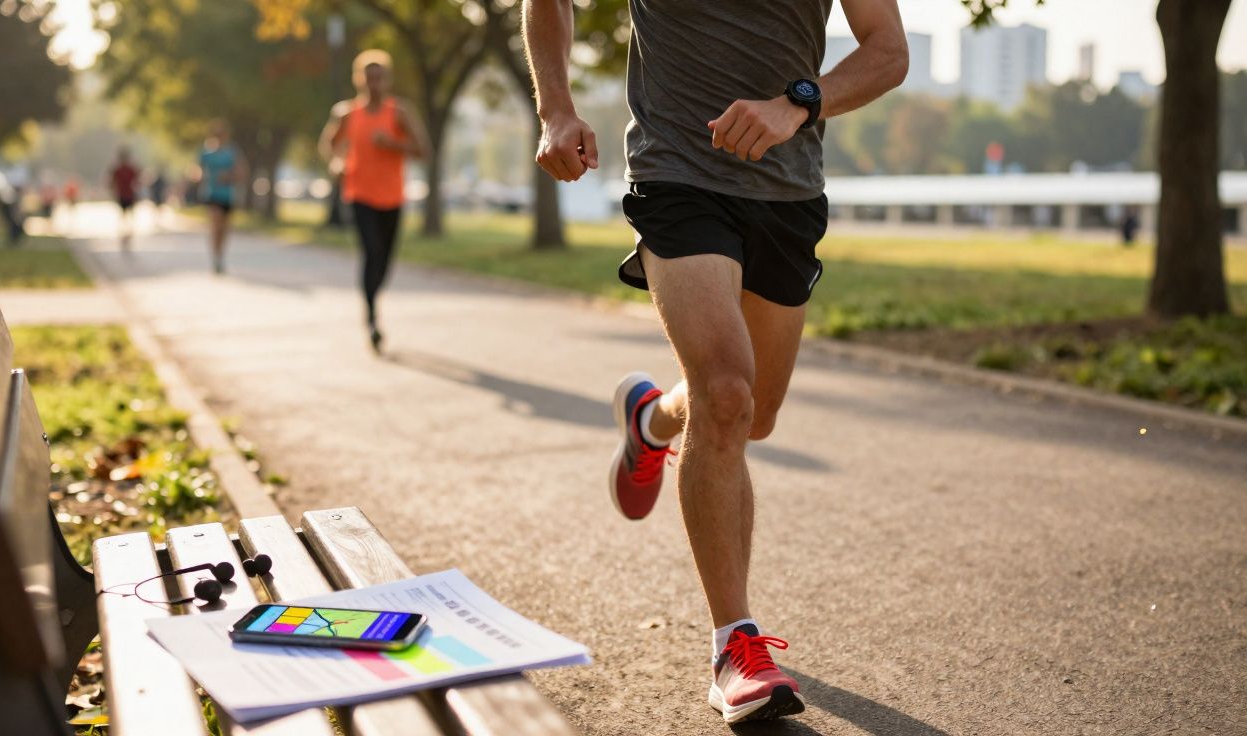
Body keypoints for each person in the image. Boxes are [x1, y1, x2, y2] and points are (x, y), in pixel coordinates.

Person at [524, 0, 908, 724]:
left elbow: (887, 50)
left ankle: (652, 419)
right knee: (727, 395)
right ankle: (735, 647)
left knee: (748, 413)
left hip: (788, 188)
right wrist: (556, 110)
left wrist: (799, 104)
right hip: (678, 173)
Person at [319, 49, 429, 354]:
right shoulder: (346, 113)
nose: (374, 83)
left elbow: (422, 150)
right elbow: (329, 144)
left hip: (392, 196)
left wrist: (393, 143)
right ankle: (371, 318)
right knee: (371, 251)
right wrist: (337, 163)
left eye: (379, 77)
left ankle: (372, 298)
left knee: (385, 260)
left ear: (387, 80)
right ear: (359, 80)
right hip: (359, 193)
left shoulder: (399, 112)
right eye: (368, 77)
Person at [198, 121, 244, 274]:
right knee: (215, 225)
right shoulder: (206, 153)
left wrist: (229, 176)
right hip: (212, 194)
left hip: (228, 195)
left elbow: (241, 172)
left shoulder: (231, 153)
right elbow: (197, 169)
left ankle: (221, 255)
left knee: (224, 229)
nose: (220, 137)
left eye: (222, 135)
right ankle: (215, 257)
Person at [108, 148, 140, 250]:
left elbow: (111, 182)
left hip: (125, 194)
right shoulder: (127, 169)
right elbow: (138, 180)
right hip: (126, 194)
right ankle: (127, 231)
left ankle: (126, 231)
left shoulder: (119, 169)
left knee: (124, 214)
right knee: (127, 213)